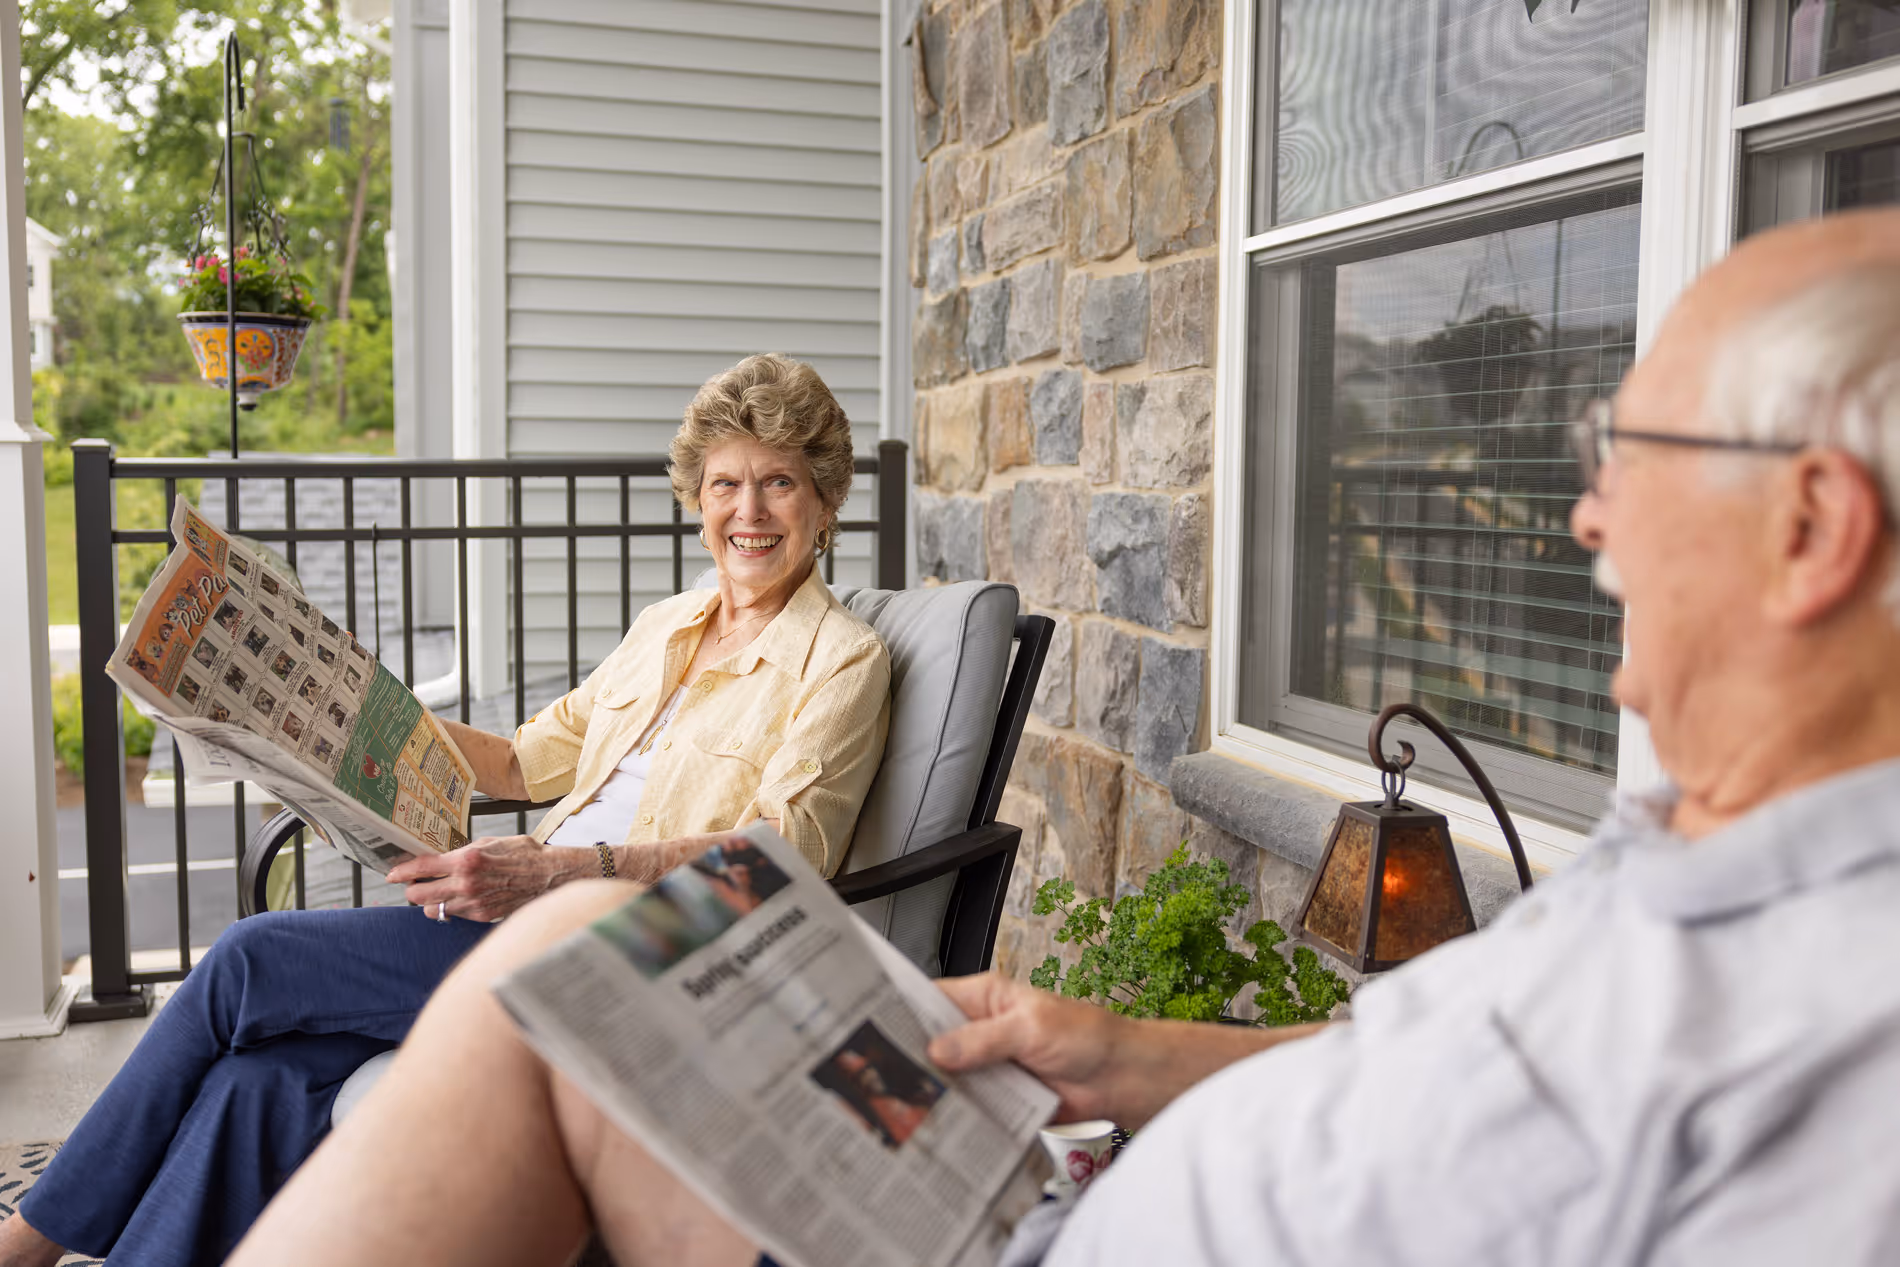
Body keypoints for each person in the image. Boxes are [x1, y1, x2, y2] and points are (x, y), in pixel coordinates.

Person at [200, 206, 1900, 1267]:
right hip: (1042, 1179)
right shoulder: (1689, 841)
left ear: (1811, 528)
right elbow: (1459, 1075)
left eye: (1633, 448)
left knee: (517, 952)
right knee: (533, 965)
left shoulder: (1843, 1032)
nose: (1586, 519)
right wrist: (1133, 1045)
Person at [0, 353, 892, 1267]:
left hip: (637, 950)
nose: (748, 511)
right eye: (726, 485)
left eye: (779, 483)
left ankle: (28, 1241)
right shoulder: (666, 625)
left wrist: (553, 874)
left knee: (246, 962)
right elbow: (521, 758)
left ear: (823, 503)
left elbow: (783, 852)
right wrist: (338, 718)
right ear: (696, 501)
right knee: (260, 1080)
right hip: (522, 911)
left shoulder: (842, 657)